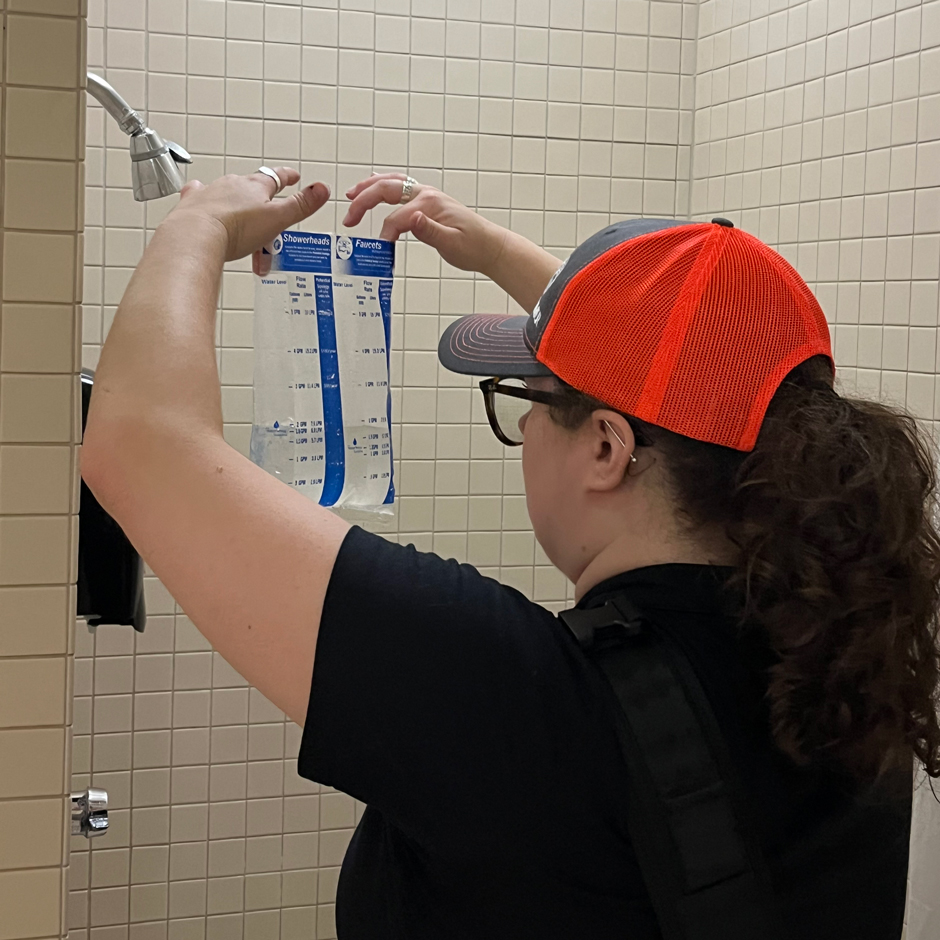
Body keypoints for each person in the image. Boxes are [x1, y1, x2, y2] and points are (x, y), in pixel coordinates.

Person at [82, 167, 940, 940]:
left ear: (607, 449)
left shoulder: (512, 696)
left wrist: (197, 226)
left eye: (530, 399)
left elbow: (141, 446)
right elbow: (697, 391)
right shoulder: (846, 663)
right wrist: (499, 255)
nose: (526, 424)